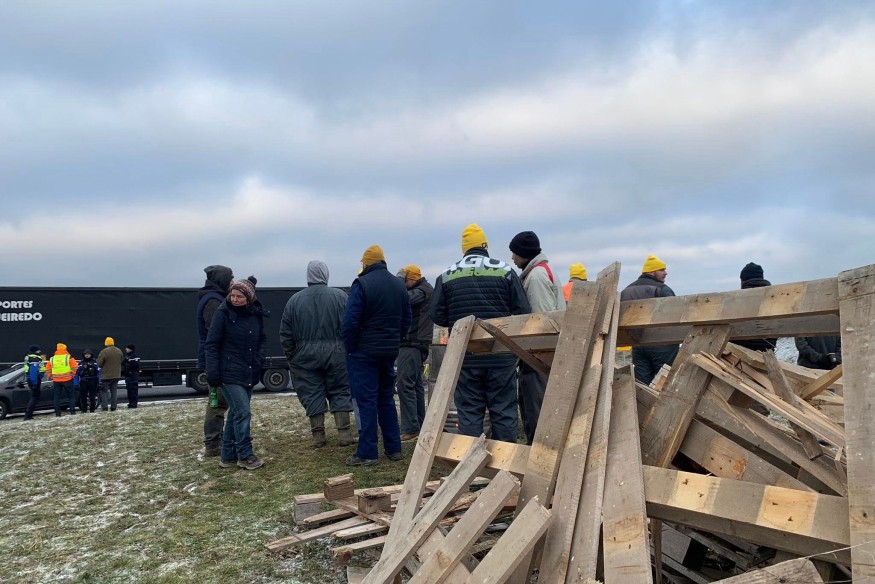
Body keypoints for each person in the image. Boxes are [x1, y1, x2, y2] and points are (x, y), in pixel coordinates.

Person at [430, 224, 531, 443]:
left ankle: (471, 466)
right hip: (501, 355)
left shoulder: (447, 275)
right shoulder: (505, 271)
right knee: (504, 410)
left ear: (464, 248)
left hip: (465, 356)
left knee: (469, 411)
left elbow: (437, 315)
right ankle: (506, 467)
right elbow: (523, 312)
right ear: (485, 246)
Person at [341, 245, 411, 466]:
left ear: (366, 263)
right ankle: (394, 448)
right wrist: (395, 341)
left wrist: (351, 347)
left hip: (363, 353)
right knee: (386, 398)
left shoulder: (361, 284)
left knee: (366, 401)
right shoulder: (398, 285)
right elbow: (407, 319)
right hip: (388, 351)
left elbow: (351, 321)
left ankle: (367, 453)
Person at [280, 260, 355, 448]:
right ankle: (344, 434)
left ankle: (318, 436)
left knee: (311, 392)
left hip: (305, 356)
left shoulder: (294, 300)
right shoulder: (341, 297)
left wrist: (292, 355)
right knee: (340, 390)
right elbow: (351, 326)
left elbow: (286, 333)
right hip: (338, 353)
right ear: (325, 274)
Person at [205, 276, 267, 470]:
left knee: (235, 414)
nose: (235, 299)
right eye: (233, 295)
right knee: (242, 412)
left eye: (240, 296)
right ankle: (245, 455)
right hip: (228, 372)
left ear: (249, 298)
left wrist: (258, 360)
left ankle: (228, 456)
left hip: (248, 370)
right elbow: (212, 344)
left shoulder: (255, 315)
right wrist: (213, 372)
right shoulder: (222, 314)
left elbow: (261, 340)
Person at [509, 231, 565, 445]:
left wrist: (533, 356)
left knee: (536, 405)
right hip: (547, 354)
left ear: (524, 254)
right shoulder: (543, 272)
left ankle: (539, 448)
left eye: (514, 253)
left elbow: (541, 321)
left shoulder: (536, 278)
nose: (512, 258)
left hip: (539, 356)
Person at [620, 254, 680, 385]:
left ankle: (641, 406)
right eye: (661, 270)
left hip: (638, 345)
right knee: (665, 384)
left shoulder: (626, 290)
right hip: (662, 345)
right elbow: (675, 315)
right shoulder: (662, 289)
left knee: (641, 386)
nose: (665, 273)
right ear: (652, 272)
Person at [196, 265, 234, 457]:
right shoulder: (213, 301)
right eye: (231, 278)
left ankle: (215, 441)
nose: (233, 282)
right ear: (222, 279)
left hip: (217, 358)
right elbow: (216, 333)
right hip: (216, 359)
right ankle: (213, 444)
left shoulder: (214, 298)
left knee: (218, 402)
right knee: (217, 403)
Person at [395, 264, 434, 442]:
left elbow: (404, 298)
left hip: (412, 343)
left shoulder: (422, 291)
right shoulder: (424, 289)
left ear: (411, 279)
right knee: (415, 384)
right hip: (416, 344)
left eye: (404, 281)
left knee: (404, 384)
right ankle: (419, 424)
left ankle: (410, 428)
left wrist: (395, 283)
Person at [735, 263, 777, 352]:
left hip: (740, 353)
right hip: (767, 350)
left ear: (743, 280)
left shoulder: (737, 300)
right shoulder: (773, 298)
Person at [46, 343, 78, 417]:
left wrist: (50, 376)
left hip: (56, 380)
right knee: (71, 396)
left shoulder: (52, 359)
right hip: (68, 379)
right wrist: (73, 374)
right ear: (65, 349)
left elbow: (47, 369)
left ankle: (58, 413)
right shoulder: (68, 357)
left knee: (57, 397)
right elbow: (75, 367)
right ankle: (72, 412)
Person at [97, 337, 124, 411]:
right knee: (114, 391)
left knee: (104, 391)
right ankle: (113, 407)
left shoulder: (104, 352)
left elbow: (99, 363)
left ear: (106, 343)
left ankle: (105, 407)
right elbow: (121, 360)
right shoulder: (119, 351)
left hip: (106, 376)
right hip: (116, 375)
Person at [22, 345, 46, 420]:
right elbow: (34, 372)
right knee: (34, 397)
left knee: (34, 397)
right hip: (34, 380)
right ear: (35, 351)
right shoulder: (35, 358)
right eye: (38, 350)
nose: (40, 351)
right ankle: (28, 415)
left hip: (31, 379)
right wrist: (35, 383)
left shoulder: (27, 357)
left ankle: (29, 414)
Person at [74, 349, 100, 413]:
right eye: (86, 354)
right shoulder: (81, 363)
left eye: (88, 354)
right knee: (83, 396)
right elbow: (76, 374)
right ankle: (84, 410)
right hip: (83, 381)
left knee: (92, 396)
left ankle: (92, 409)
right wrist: (76, 383)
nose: (87, 355)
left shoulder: (95, 363)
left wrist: (99, 382)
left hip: (93, 380)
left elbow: (98, 373)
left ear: (91, 355)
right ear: (84, 355)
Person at [123, 344, 141, 408]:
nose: (126, 349)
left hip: (133, 375)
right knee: (129, 390)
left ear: (130, 349)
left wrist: (128, 362)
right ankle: (130, 402)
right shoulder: (127, 356)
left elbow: (135, 365)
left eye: (127, 348)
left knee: (133, 390)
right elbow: (124, 363)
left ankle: (134, 403)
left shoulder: (134, 356)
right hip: (128, 375)